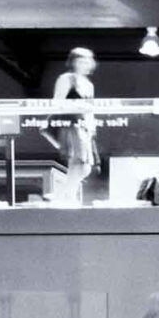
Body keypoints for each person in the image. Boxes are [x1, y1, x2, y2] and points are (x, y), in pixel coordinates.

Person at [51, 47, 100, 203]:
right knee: (78, 163)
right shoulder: (67, 79)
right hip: (71, 125)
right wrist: (78, 107)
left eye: (87, 60)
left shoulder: (88, 84)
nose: (85, 64)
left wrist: (92, 126)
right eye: (81, 60)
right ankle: (65, 196)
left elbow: (91, 109)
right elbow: (56, 103)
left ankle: (64, 195)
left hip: (85, 126)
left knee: (86, 167)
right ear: (73, 62)